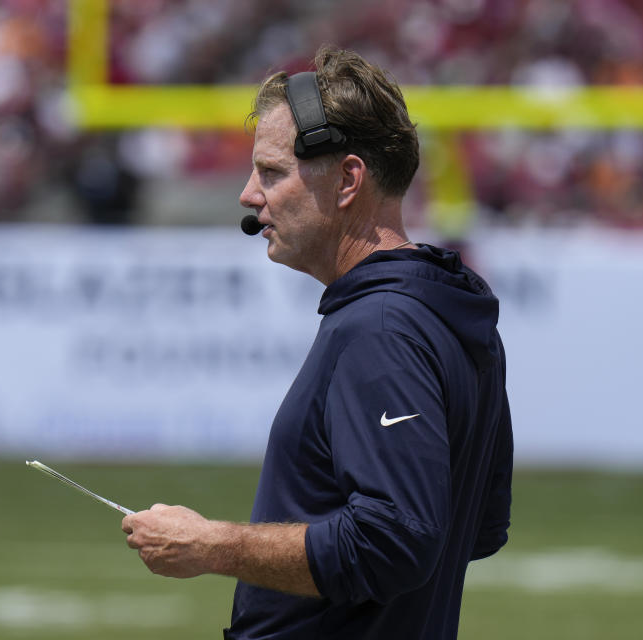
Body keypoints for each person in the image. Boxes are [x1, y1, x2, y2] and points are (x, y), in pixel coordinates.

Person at [121, 46, 513, 640]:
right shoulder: (445, 309)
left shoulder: (381, 328)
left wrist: (212, 545)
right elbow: (478, 527)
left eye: (273, 173)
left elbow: (395, 538)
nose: (249, 196)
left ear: (348, 179)